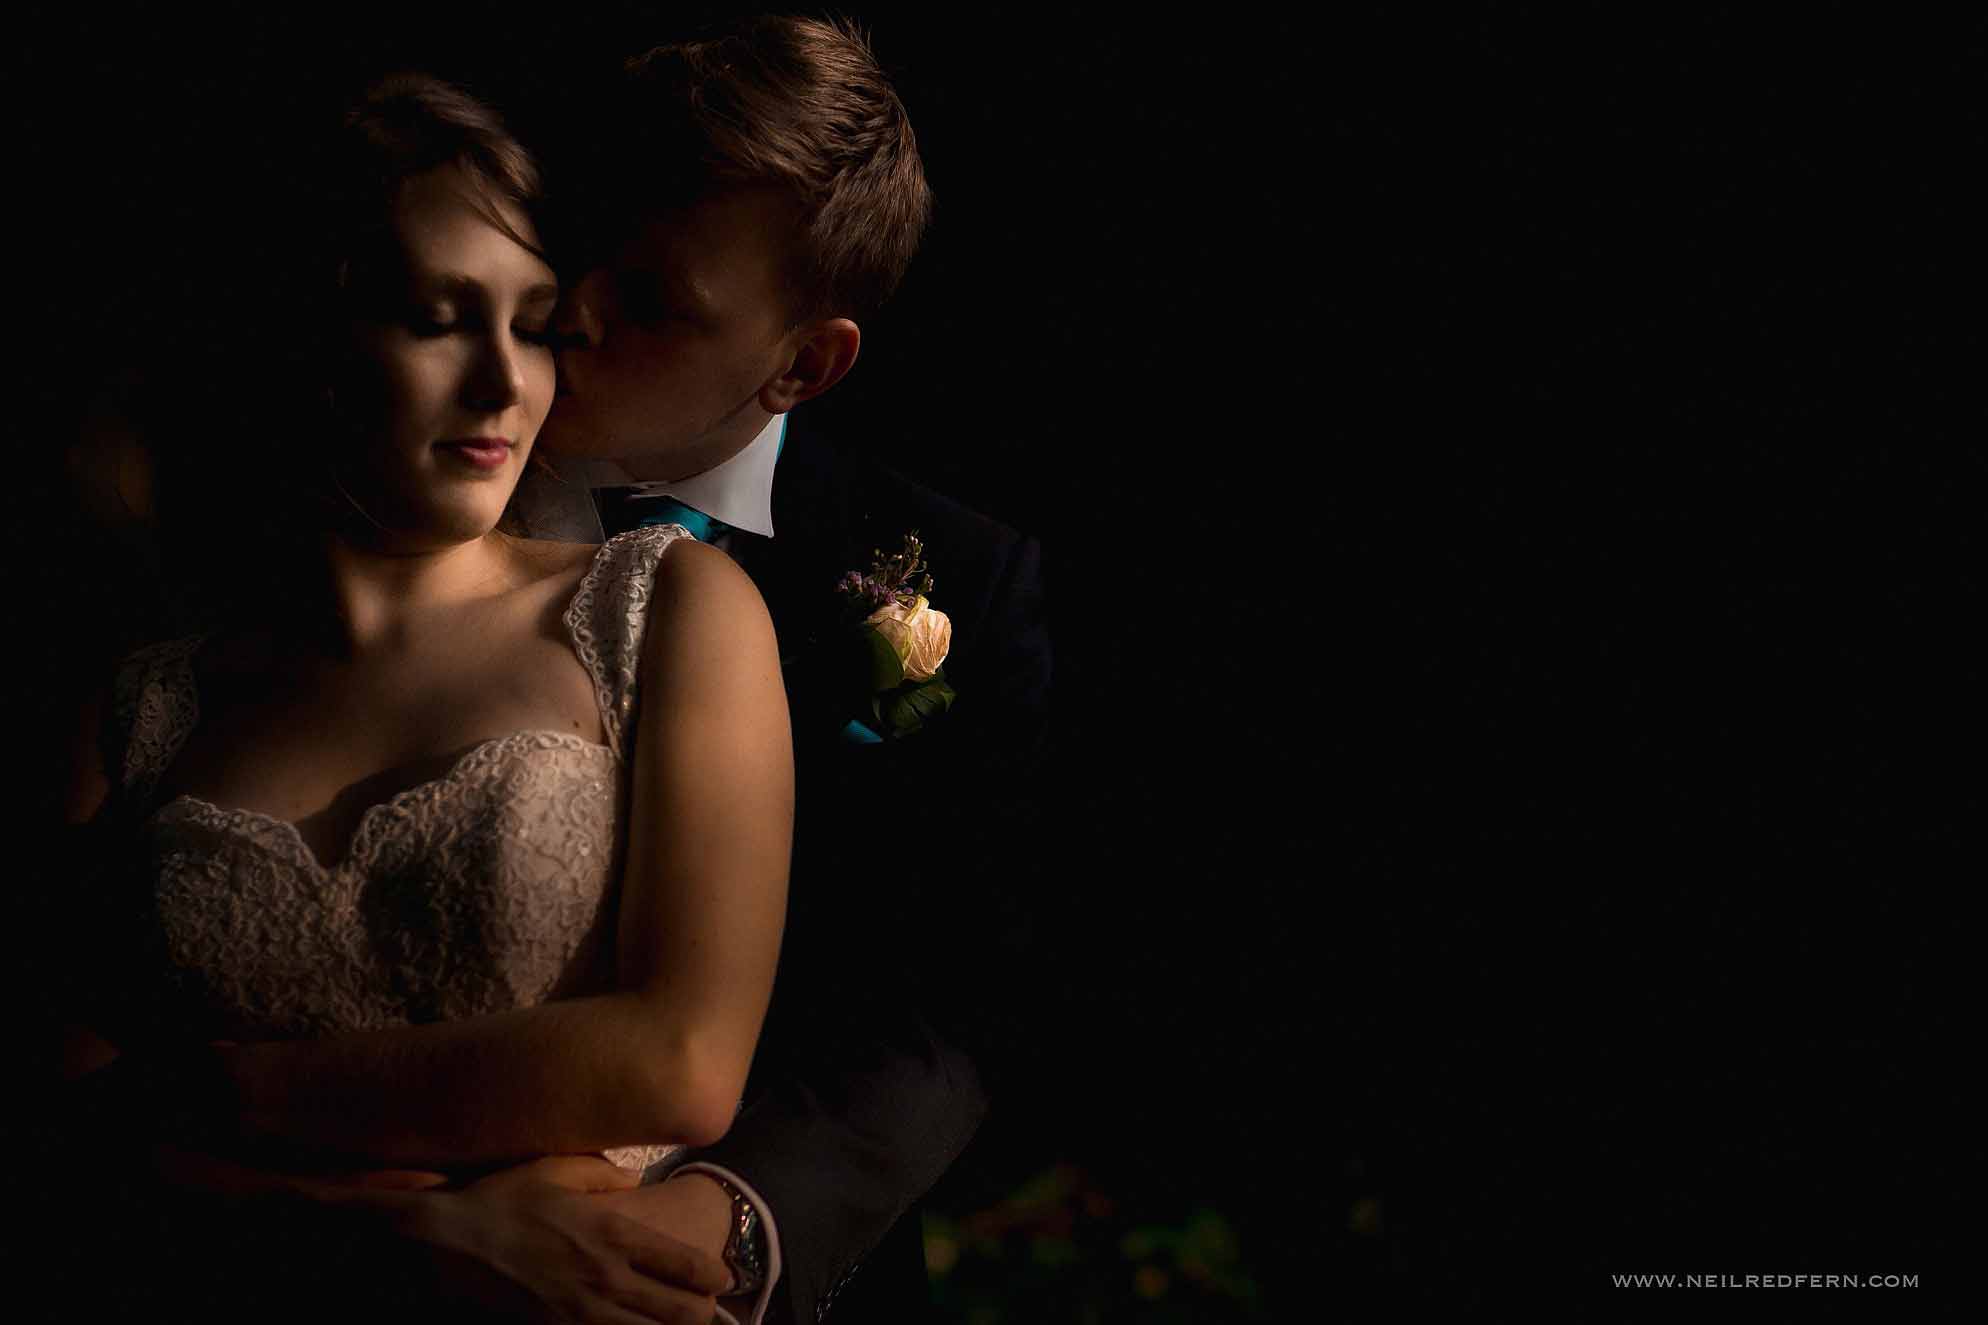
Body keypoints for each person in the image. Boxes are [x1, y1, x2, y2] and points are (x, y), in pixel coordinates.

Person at [44, 71, 791, 1324]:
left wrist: (227, 1093)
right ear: (312, 341)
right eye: (441, 318)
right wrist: (394, 1238)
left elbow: (684, 1058)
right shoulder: (143, 703)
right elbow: (59, 1135)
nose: (503, 381)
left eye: (536, 322)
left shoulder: (666, 610)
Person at [497, 16, 1053, 1321]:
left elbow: (951, 1003)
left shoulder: (949, 589)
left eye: (650, 301)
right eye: (576, 246)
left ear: (805, 363)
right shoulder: (394, 479)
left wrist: (721, 1229)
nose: (568, 311)